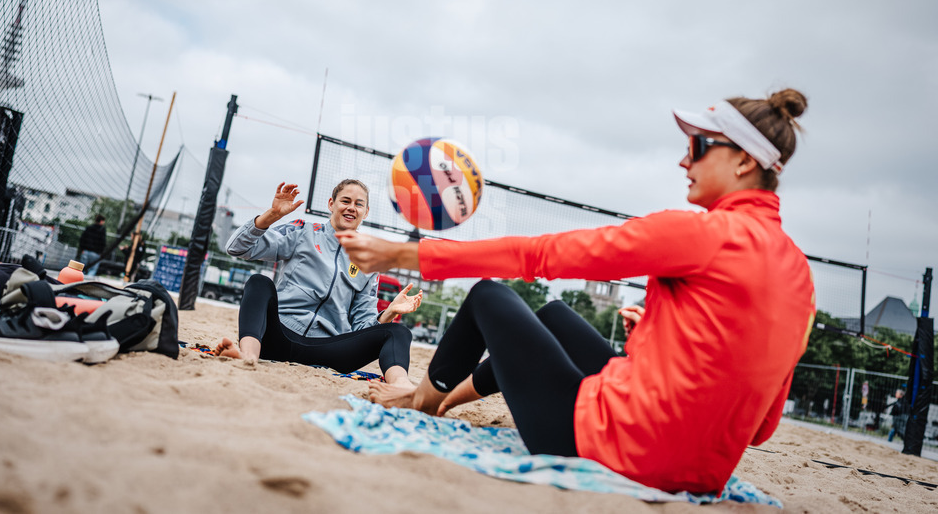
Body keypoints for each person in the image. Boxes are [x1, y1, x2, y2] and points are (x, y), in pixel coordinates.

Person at [338, 89, 816, 495]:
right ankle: (450, 398)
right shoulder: (800, 275)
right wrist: (658, 339)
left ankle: (421, 400)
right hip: (703, 475)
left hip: (617, 448)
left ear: (745, 160)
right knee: (555, 315)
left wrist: (403, 255)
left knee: (488, 295)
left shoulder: (705, 234)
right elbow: (760, 430)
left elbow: (541, 254)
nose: (684, 158)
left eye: (699, 145)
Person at [214, 180, 423, 392]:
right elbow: (236, 248)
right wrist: (272, 215)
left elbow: (362, 327)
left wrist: (389, 312)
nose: (351, 207)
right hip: (278, 336)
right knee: (259, 282)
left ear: (365, 212)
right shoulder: (302, 231)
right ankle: (247, 357)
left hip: (328, 349)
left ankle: (402, 387)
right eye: (345, 201)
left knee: (399, 331)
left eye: (359, 204)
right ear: (331, 204)